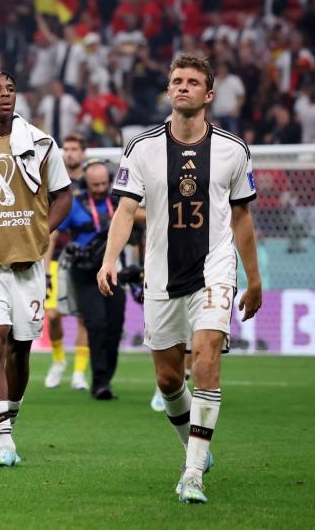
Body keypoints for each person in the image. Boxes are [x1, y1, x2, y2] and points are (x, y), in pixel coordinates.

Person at [99, 55, 262, 504]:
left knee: (207, 357)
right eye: (177, 81)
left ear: (209, 94)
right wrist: (109, 259)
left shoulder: (233, 149)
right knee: (169, 379)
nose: (183, 87)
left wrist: (254, 279)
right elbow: (126, 210)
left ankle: (192, 473)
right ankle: (195, 444)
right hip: (161, 273)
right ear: (168, 91)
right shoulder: (141, 147)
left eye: (193, 82)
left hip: (214, 267)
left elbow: (243, 217)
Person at [0, 70, 72, 467]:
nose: (5, 95)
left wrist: (42, 229)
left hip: (28, 264)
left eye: (10, 89)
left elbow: (63, 195)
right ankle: (3, 438)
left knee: (20, 351)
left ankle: (9, 417)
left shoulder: (41, 143)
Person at [58, 160, 127, 400]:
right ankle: (99, 383)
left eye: (104, 184)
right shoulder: (74, 204)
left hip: (114, 271)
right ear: (86, 183)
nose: (99, 188)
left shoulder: (120, 202)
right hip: (85, 273)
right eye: (95, 184)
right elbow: (54, 230)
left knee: (115, 327)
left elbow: (140, 222)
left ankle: (106, 378)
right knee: (96, 324)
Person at [44, 133, 90, 390]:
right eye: (67, 149)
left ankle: (79, 373)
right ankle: (59, 361)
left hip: (84, 260)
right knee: (52, 315)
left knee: (83, 317)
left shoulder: (93, 182)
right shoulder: (56, 180)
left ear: (83, 153)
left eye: (75, 149)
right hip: (57, 256)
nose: (70, 153)